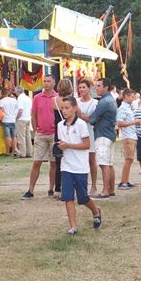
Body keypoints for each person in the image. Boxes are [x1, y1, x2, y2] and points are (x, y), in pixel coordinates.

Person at [57, 96, 102, 235]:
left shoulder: (81, 124)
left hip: (80, 167)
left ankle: (95, 211)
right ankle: (73, 226)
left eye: (67, 108)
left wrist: (69, 145)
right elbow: (62, 143)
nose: (64, 111)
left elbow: (87, 145)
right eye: (62, 108)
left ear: (75, 108)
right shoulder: (60, 125)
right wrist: (59, 148)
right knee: (68, 196)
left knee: (83, 198)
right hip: (66, 166)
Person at [21, 75, 57, 199]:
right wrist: (36, 130)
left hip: (53, 134)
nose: (46, 83)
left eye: (48, 81)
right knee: (37, 162)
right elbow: (34, 114)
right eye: (45, 81)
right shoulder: (37, 98)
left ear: (54, 83)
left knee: (54, 163)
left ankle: (51, 189)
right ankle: (30, 190)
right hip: (41, 134)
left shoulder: (57, 97)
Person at [89, 78, 117, 200]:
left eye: (99, 85)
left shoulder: (104, 102)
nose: (97, 88)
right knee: (109, 164)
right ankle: (111, 189)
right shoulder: (111, 99)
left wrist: (80, 114)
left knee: (103, 164)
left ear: (106, 87)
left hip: (102, 134)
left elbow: (92, 119)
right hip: (109, 134)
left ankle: (105, 190)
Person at [76, 79, 99, 195]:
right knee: (79, 159)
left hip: (90, 132)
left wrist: (81, 115)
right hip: (78, 133)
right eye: (79, 88)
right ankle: (80, 185)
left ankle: (94, 185)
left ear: (89, 88)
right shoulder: (76, 101)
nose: (81, 90)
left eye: (83, 87)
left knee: (91, 159)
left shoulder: (95, 103)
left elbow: (92, 119)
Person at [53, 79, 73, 198]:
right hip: (70, 131)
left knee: (58, 162)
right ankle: (68, 187)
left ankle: (57, 189)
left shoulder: (54, 101)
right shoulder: (72, 101)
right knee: (70, 161)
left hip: (58, 132)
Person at [116, 88, 137, 189]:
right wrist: (133, 122)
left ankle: (126, 180)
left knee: (130, 159)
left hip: (131, 135)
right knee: (128, 159)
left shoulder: (128, 107)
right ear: (126, 97)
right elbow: (119, 123)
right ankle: (123, 182)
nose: (133, 99)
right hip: (127, 136)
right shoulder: (122, 108)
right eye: (131, 97)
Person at [0, 89, 19, 156]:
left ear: (2, 93)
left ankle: (7, 151)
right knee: (14, 136)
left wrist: (0, 120)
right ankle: (14, 150)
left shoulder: (1, 101)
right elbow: (17, 109)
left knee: (7, 136)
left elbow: (1, 111)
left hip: (5, 120)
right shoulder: (14, 100)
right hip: (13, 119)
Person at [14, 86, 33, 158]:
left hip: (21, 119)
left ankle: (22, 153)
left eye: (15, 91)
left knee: (21, 136)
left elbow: (20, 110)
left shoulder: (20, 98)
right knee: (28, 136)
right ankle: (29, 152)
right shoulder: (28, 98)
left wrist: (16, 118)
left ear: (17, 91)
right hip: (27, 118)